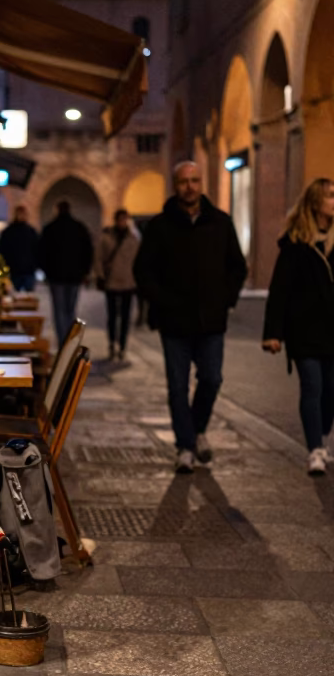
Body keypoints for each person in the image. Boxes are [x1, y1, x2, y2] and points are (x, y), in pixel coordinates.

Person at [134, 160, 247, 474]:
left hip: (211, 320)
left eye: (195, 180)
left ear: (202, 184)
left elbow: (237, 267)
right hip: (174, 322)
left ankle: (196, 431)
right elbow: (143, 270)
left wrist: (225, 299)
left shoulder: (220, 223)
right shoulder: (160, 226)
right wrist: (161, 300)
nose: (190, 186)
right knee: (177, 386)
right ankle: (185, 446)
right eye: (184, 181)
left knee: (212, 378)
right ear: (176, 184)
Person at [262, 177, 334, 476]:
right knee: (312, 387)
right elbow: (280, 291)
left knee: (330, 392)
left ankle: (321, 435)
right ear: (316, 202)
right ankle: (315, 449)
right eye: (331, 195)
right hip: (303, 330)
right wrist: (273, 334)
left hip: (332, 331)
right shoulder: (295, 243)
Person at [37, 200, 94, 345]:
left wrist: (46, 271)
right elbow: (88, 251)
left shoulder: (50, 228)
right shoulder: (79, 228)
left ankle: (63, 340)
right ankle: (70, 340)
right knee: (70, 309)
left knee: (59, 310)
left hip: (56, 276)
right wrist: (85, 271)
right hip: (75, 276)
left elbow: (42, 252)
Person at [95, 208, 141, 362]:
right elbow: (99, 258)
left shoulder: (133, 239)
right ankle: (112, 343)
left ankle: (122, 345)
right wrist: (100, 276)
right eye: (120, 219)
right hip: (112, 282)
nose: (122, 222)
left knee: (126, 317)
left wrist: (138, 279)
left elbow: (138, 261)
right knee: (113, 316)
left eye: (124, 219)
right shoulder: (106, 238)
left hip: (128, 282)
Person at [0, 205, 40, 292]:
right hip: (16, 270)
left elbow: (37, 250)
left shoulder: (30, 231)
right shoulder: (10, 232)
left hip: (27, 270)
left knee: (27, 295)